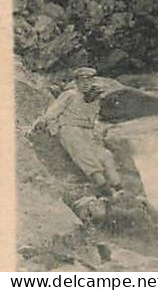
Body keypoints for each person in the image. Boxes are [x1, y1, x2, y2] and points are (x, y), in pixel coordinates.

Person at [35, 67, 123, 196]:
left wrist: (98, 132)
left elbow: (95, 119)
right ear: (76, 82)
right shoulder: (70, 94)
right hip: (70, 129)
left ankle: (119, 188)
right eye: (82, 81)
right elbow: (52, 113)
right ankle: (106, 190)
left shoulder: (94, 98)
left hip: (87, 132)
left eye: (89, 80)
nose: (86, 84)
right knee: (86, 157)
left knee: (106, 156)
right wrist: (55, 130)